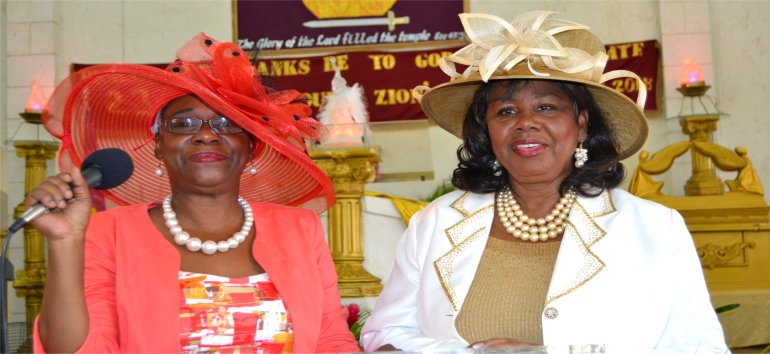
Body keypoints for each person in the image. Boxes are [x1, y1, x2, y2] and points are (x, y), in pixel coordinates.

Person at [361, 12, 728, 353]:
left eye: (546, 107)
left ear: (581, 124)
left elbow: (697, 346)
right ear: (486, 132)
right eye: (506, 111)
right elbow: (384, 335)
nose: (526, 122)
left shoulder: (653, 227)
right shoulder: (434, 223)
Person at [28, 33, 360, 353]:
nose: (205, 135)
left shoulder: (301, 229)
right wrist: (64, 243)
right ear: (159, 145)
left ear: (251, 147)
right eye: (183, 125)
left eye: (227, 124)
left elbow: (330, 340)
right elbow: (77, 350)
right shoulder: (109, 233)